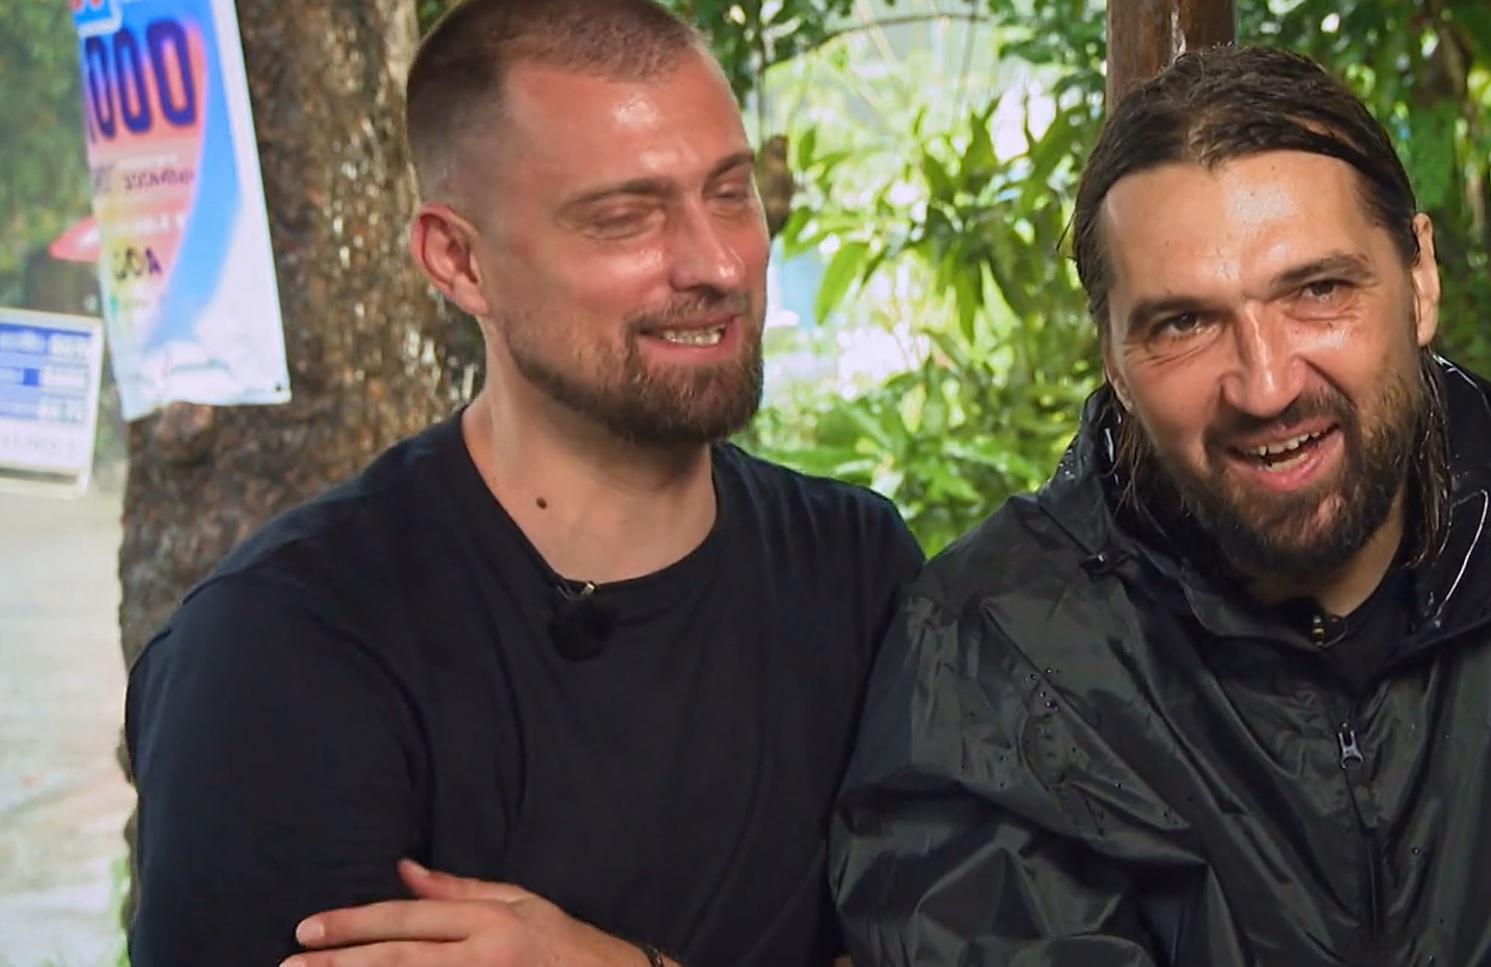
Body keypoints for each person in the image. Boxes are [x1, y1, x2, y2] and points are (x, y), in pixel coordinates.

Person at [123, 1, 922, 964]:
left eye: (729, 193)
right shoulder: (285, 645)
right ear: (459, 260)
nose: (716, 263)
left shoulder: (856, 569)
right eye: (624, 218)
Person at [830, 44, 1491, 966]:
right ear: (1111, 359)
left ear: (1419, 279)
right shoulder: (991, 654)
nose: (1265, 383)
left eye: (1317, 290)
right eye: (1184, 323)